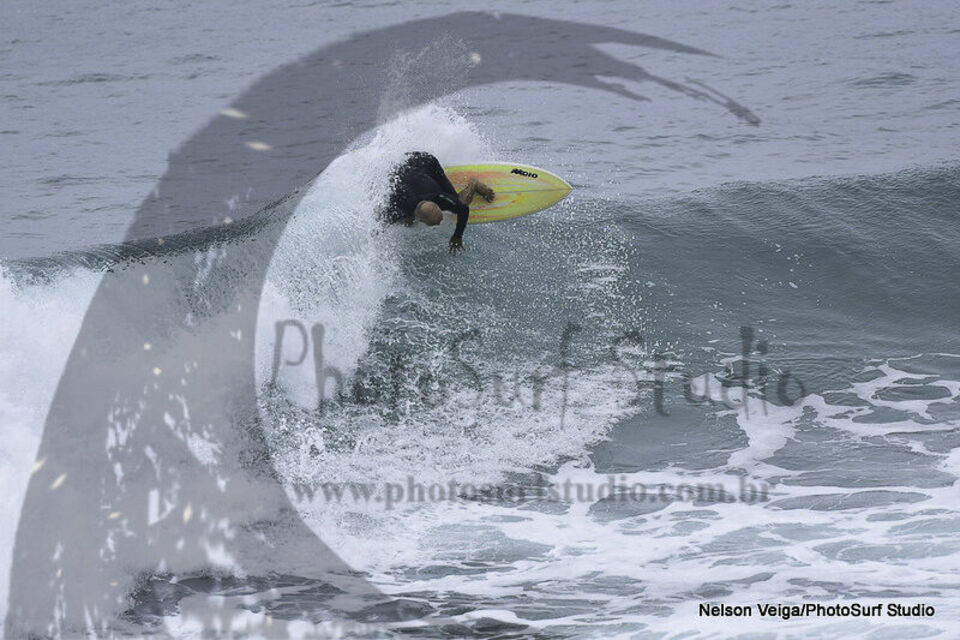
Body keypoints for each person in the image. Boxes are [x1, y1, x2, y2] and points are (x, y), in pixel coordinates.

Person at [382, 152, 494, 254]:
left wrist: (457, 236)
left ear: (437, 204)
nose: (440, 224)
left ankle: (473, 185)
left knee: (458, 200)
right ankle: (409, 217)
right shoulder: (398, 203)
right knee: (405, 220)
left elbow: (463, 209)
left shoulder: (439, 196)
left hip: (427, 162)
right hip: (406, 163)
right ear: (421, 219)